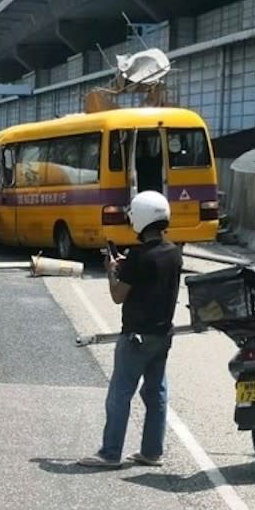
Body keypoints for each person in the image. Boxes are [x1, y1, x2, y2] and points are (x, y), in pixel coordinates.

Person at [78, 190, 182, 468]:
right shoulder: (173, 253)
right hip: (163, 335)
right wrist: (126, 266)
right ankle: (151, 451)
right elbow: (151, 276)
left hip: (136, 336)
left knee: (119, 395)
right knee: (155, 393)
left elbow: (118, 295)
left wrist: (113, 270)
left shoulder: (139, 257)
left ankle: (110, 453)